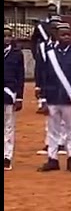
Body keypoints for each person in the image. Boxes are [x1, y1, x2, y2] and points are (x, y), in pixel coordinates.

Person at [39, 22, 71, 173]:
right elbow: (44, 76)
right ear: (57, 36)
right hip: (52, 96)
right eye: (62, 34)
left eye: (68, 34)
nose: (66, 37)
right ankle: (52, 159)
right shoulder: (50, 53)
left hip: (69, 98)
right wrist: (43, 99)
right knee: (53, 130)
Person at [4, 25, 24, 171]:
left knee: (9, 126)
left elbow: (21, 76)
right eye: (4, 35)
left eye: (9, 36)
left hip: (10, 93)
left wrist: (20, 97)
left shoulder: (17, 54)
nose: (6, 38)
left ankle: (7, 156)